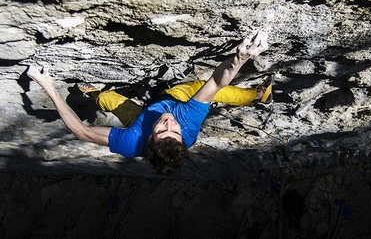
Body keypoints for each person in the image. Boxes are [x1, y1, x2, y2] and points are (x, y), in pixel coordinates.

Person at [27, 31, 269, 175]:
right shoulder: (186, 126)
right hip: (175, 99)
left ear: (150, 139)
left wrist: (49, 87)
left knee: (106, 98)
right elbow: (216, 83)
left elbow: (82, 131)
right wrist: (239, 59)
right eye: (173, 131)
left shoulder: (132, 141)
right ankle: (255, 96)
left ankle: (93, 93)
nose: (168, 124)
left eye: (162, 131)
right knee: (204, 90)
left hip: (140, 121)